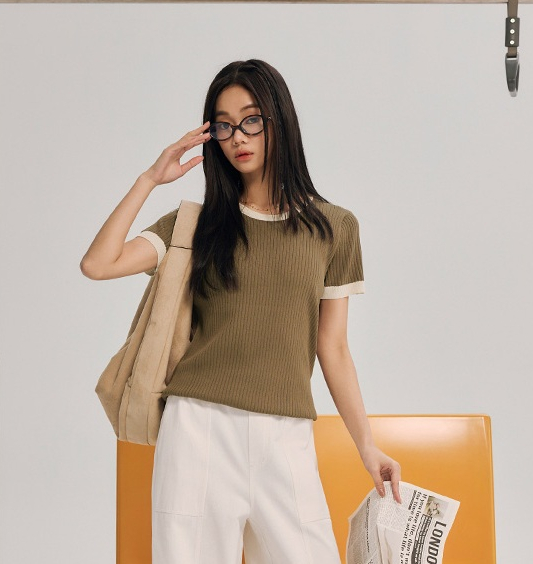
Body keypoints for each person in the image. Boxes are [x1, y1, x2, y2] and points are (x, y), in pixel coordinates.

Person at [80, 59, 401, 564]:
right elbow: (98, 264)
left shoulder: (335, 228)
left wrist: (367, 446)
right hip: (197, 430)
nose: (238, 137)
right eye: (224, 126)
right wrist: (150, 178)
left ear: (279, 120)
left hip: (286, 436)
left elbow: (333, 347)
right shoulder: (196, 225)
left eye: (251, 119)